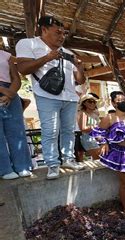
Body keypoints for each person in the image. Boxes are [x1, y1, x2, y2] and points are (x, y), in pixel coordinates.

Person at [16, 16, 85, 179]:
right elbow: (23, 68)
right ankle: (52, 165)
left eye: (64, 33)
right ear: (44, 29)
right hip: (46, 95)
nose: (62, 36)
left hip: (70, 97)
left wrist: (79, 66)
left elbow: (80, 80)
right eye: (58, 32)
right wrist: (47, 57)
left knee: (69, 131)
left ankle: (68, 159)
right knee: (50, 131)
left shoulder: (68, 53)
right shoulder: (28, 44)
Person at [91, 98, 125, 212]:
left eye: (124, 100)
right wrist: (103, 143)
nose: (123, 102)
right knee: (124, 182)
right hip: (119, 154)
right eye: (119, 100)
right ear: (114, 103)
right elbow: (98, 132)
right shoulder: (109, 118)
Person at [0, 50, 32, 179]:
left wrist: (10, 93)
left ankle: (22, 166)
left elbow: (16, 78)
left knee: (17, 131)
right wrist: (5, 91)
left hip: (10, 91)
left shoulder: (5, 55)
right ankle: (4, 169)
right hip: (7, 91)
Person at [77, 93, 100, 160]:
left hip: (97, 137)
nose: (92, 103)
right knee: (98, 158)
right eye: (89, 101)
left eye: (94, 102)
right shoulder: (83, 113)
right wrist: (95, 127)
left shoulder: (95, 114)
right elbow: (83, 128)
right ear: (84, 103)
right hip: (88, 138)